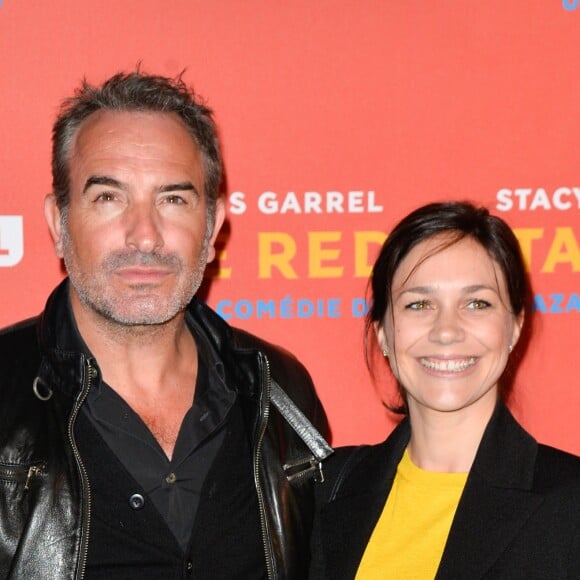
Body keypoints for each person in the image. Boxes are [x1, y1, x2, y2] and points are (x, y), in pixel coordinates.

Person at [0, 70, 332, 580]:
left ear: (214, 225)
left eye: (173, 199)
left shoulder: (277, 387)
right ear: (58, 224)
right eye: (108, 198)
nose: (146, 236)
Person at [310, 201, 580, 579]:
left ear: (515, 327)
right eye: (419, 304)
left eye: (477, 303)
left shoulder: (569, 503)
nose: (446, 330)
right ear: (383, 332)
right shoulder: (324, 490)